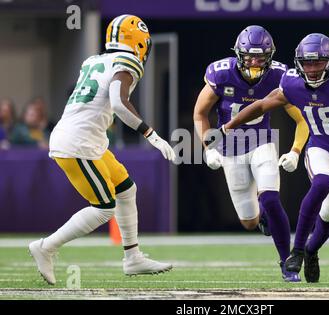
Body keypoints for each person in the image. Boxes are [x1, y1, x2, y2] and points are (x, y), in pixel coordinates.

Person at [219, 33, 329, 282]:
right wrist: (227, 126)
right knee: (321, 183)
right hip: (320, 147)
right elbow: (262, 105)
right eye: (307, 63)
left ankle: (311, 250)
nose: (312, 68)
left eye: (318, 62)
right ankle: (296, 252)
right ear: (298, 63)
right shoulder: (292, 83)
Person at [28, 15, 176, 285]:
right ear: (138, 42)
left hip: (88, 139)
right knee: (105, 207)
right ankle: (46, 246)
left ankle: (133, 258)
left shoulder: (93, 60)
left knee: (126, 189)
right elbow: (119, 105)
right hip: (78, 143)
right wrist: (152, 135)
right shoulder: (127, 61)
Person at [193, 25, 309, 282]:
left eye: (261, 57)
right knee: (248, 221)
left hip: (261, 143)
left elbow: (302, 120)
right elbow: (201, 113)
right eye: (250, 56)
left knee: (270, 197)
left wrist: (295, 151)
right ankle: (262, 216)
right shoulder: (221, 73)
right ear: (239, 54)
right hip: (229, 150)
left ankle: (286, 263)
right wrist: (208, 147)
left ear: (270, 56)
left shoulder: (279, 75)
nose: (255, 62)